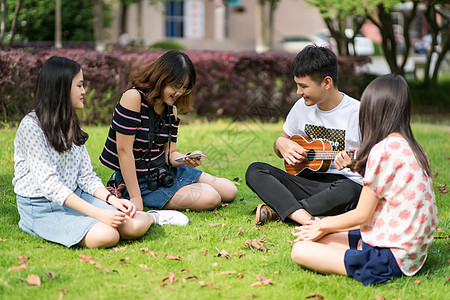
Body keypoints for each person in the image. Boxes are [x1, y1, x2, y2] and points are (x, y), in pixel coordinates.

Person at [13, 56, 183, 248]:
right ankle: (37, 224)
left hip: (77, 196)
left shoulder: (70, 123)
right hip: (43, 206)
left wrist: (112, 201)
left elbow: (86, 176)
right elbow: (50, 185)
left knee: (131, 226)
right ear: (60, 88)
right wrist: (99, 213)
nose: (84, 91)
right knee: (107, 236)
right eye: (79, 85)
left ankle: (153, 217)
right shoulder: (31, 127)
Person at [291, 74, 438, 286]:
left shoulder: (384, 149)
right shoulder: (413, 147)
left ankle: (357, 257)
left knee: (301, 249)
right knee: (315, 237)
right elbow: (386, 187)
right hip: (408, 248)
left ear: (373, 112)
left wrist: (322, 224)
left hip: (391, 257)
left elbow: (362, 214)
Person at [99, 50, 237, 212]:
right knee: (211, 197)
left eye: (185, 88)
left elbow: (170, 154)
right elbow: (124, 151)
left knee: (230, 190)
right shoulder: (133, 98)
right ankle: (125, 188)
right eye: (177, 86)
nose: (179, 93)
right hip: (139, 179)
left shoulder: (171, 110)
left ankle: (177, 188)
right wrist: (136, 198)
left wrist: (186, 159)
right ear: (161, 78)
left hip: (166, 172)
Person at [245, 45, 362, 225]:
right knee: (255, 170)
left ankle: (281, 210)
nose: (298, 92)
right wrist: (280, 143)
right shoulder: (301, 107)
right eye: (297, 85)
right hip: (306, 182)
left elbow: (379, 161)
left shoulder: (358, 112)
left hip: (342, 186)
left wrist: (356, 163)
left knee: (351, 191)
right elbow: (282, 143)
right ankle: (307, 218)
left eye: (303, 86)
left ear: (327, 83)